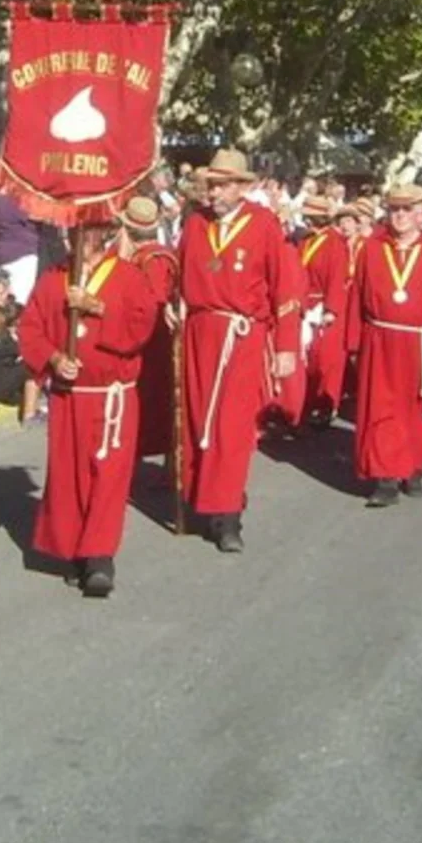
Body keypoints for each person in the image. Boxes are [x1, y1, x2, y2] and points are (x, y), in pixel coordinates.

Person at [19, 218, 158, 598]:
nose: (74, 239)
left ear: (102, 235)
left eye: (84, 232)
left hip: (113, 396)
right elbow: (30, 328)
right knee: (69, 475)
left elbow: (143, 325)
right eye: (71, 232)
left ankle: (99, 556)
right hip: (70, 397)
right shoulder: (52, 279)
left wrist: (97, 306)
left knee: (109, 475)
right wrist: (52, 359)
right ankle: (75, 549)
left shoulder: (128, 276)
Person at [178, 149, 300, 552]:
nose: (213, 193)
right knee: (198, 420)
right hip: (198, 332)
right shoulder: (195, 224)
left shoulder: (263, 225)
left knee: (231, 425)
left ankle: (228, 514)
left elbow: (285, 286)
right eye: (210, 185)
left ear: (241, 187)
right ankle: (201, 500)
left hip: (241, 335)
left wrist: (285, 345)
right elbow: (178, 276)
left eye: (221, 185)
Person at [346, 183, 422, 507]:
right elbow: (357, 296)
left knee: (415, 407)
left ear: (421, 212)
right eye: (394, 209)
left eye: (407, 209)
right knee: (381, 407)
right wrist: (354, 344)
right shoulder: (372, 248)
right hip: (380, 339)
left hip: (420, 341)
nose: (400, 216)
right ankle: (385, 477)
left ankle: (413, 468)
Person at [123, 196, 179, 461]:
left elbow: (155, 299)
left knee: (155, 395)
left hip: (152, 335)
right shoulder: (159, 253)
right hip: (155, 332)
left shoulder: (150, 259)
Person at [297, 193, 350, 427]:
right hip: (304, 302)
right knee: (305, 357)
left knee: (324, 359)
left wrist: (331, 309)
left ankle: (326, 405)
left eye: (311, 217)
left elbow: (337, 277)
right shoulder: (306, 240)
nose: (307, 221)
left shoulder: (334, 243)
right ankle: (305, 402)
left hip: (321, 305)